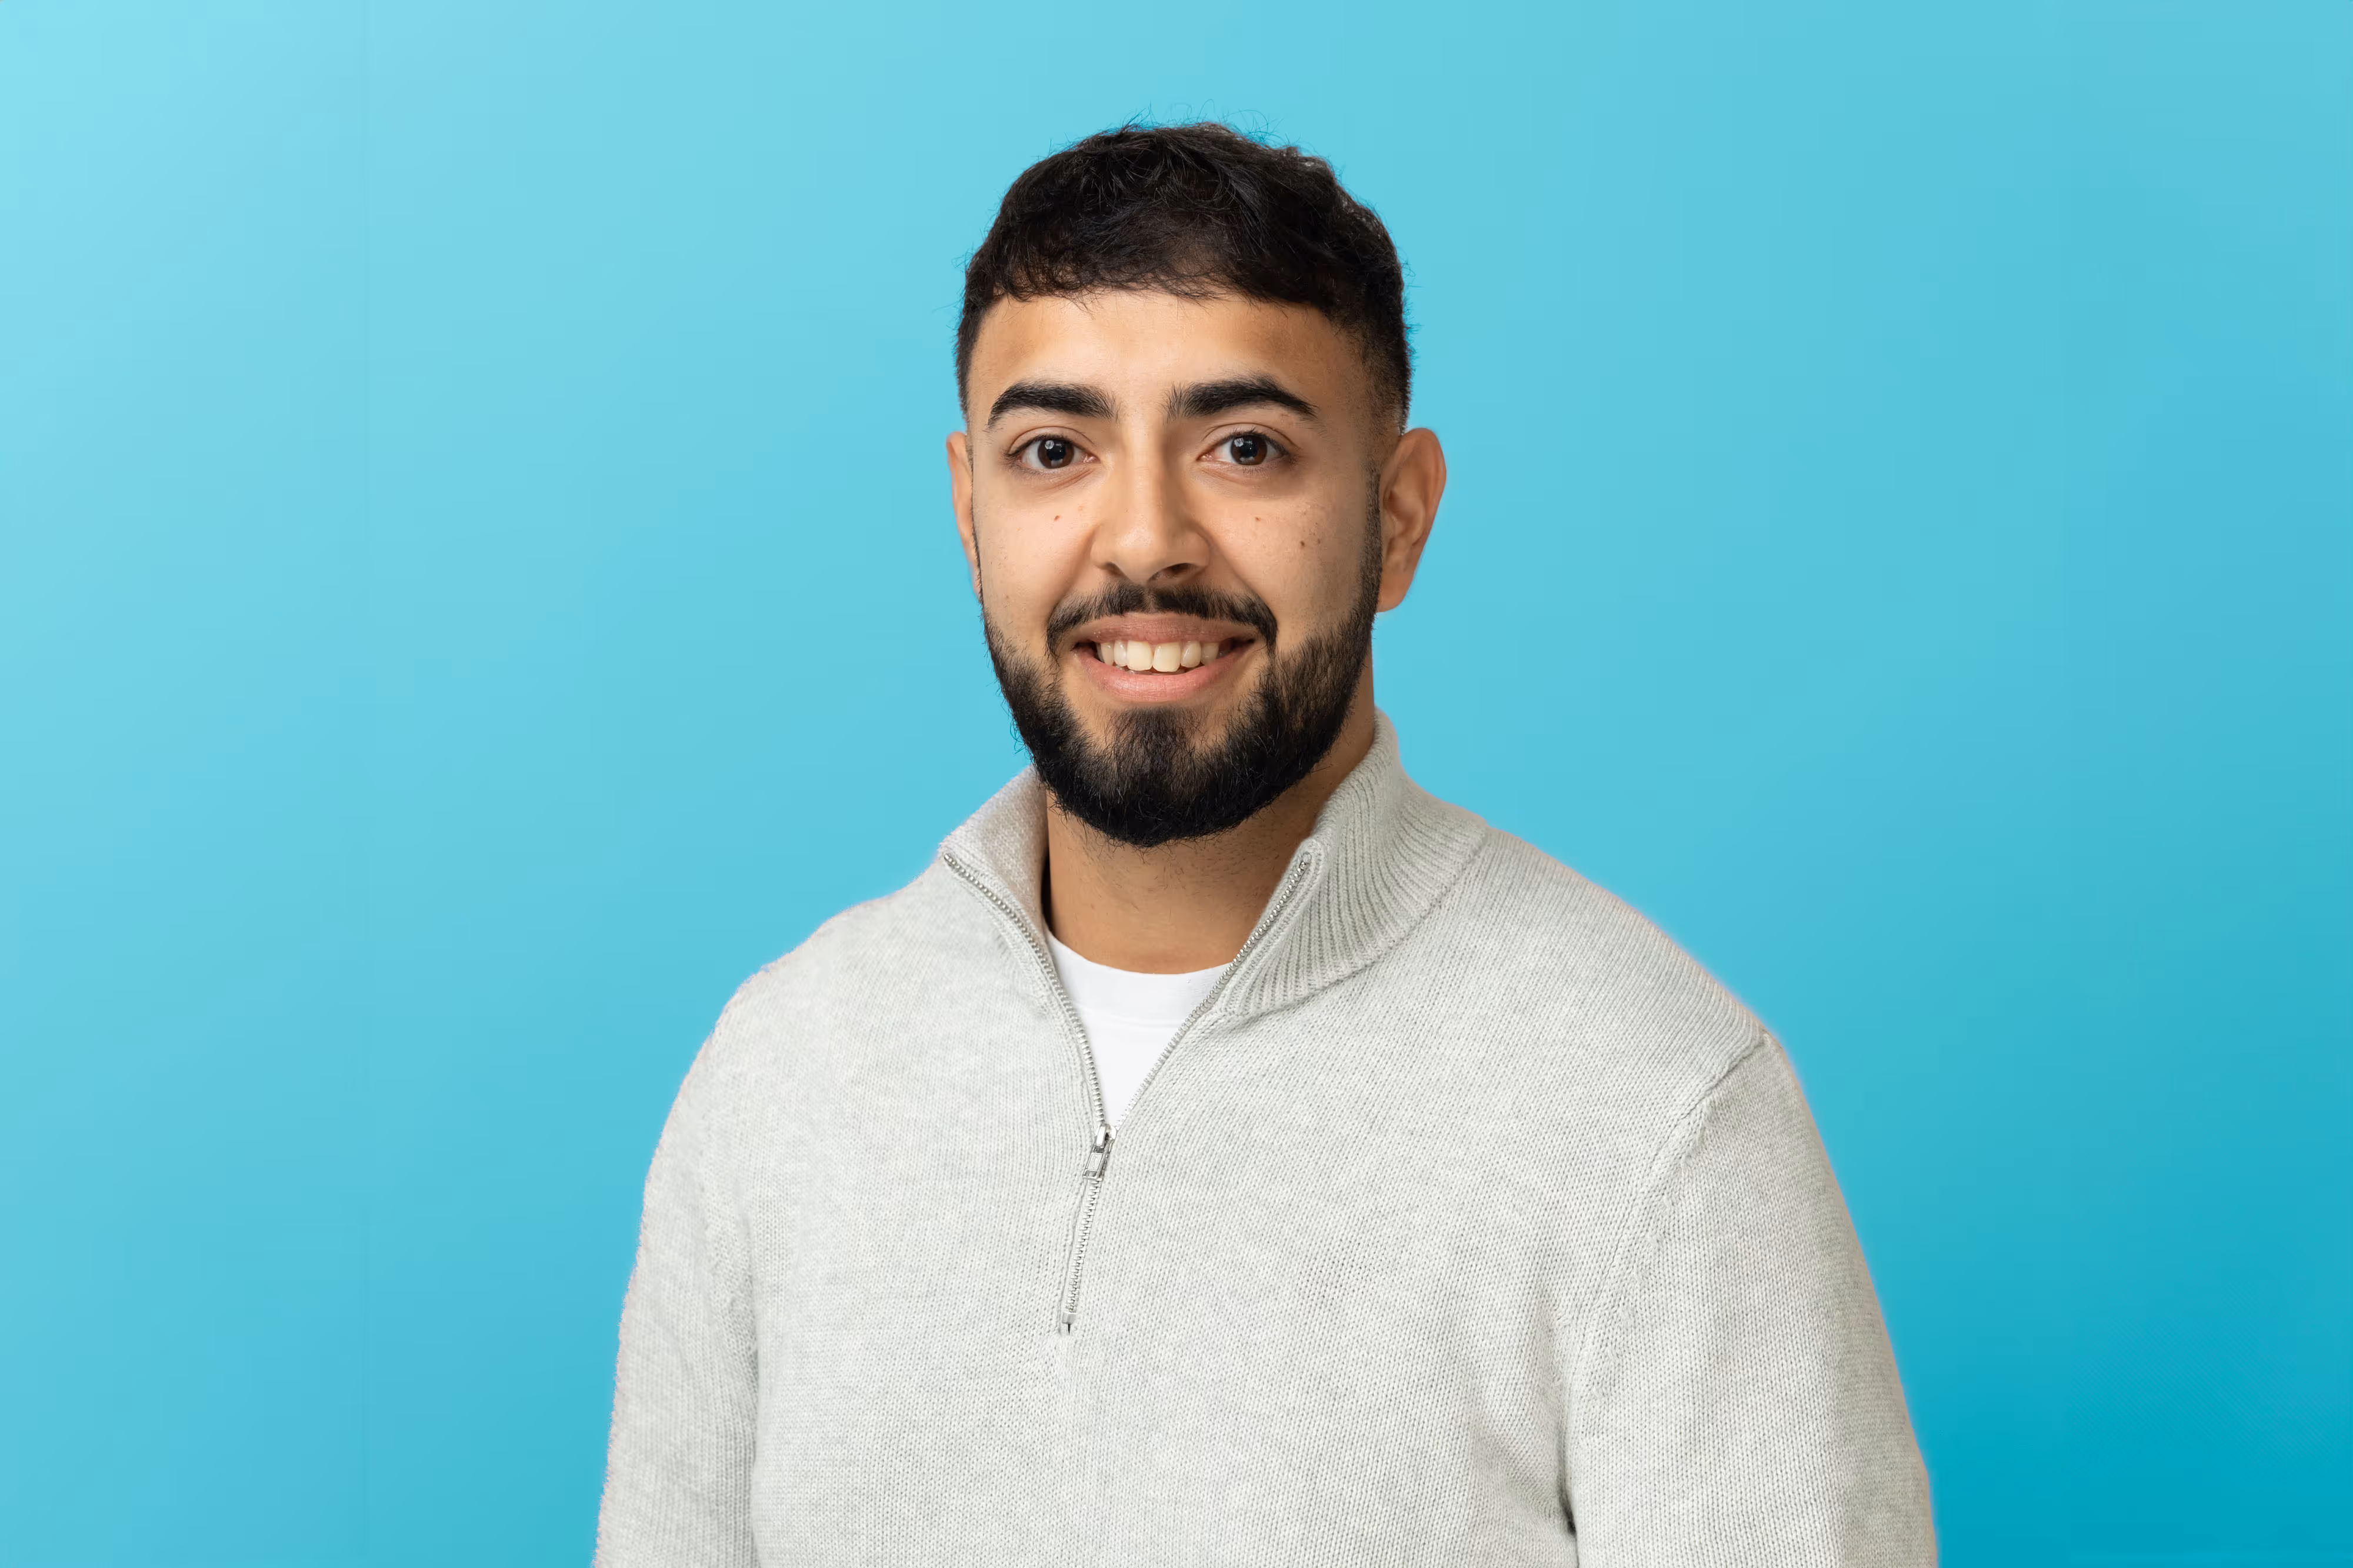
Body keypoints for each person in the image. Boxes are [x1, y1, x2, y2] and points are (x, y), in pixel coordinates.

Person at [595, 121, 1934, 1566]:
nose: (1142, 543)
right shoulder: (783, 1073)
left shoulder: (1655, 1107)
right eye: (1053, 450)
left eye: (1243, 446)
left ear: (1398, 516)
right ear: (968, 512)